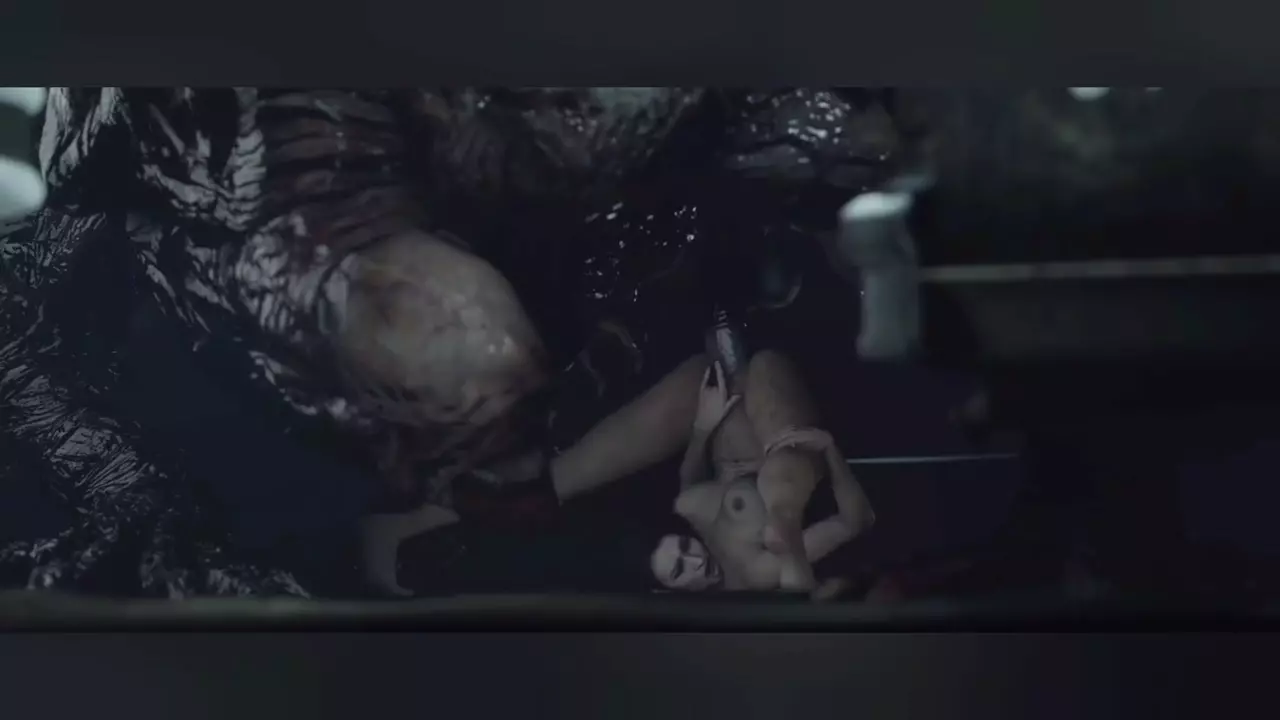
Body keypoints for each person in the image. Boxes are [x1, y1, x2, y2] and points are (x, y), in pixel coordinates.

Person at [362, 347, 875, 596]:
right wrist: (823, 456)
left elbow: (689, 487)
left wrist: (703, 429)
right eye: (688, 566)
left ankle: (531, 494)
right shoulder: (756, 570)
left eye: (682, 562)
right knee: (760, 370)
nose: (694, 561)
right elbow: (855, 522)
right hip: (779, 455)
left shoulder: (701, 530)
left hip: (733, 444)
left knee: (713, 374)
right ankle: (784, 497)